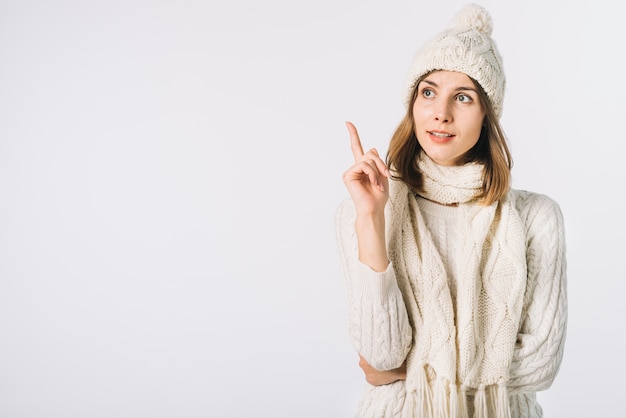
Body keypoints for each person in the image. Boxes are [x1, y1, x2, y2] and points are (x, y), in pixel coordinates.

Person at [335, 3, 567, 417]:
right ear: (413, 103)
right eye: (428, 92)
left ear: (486, 115)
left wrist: (411, 369)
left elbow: (540, 365)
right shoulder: (366, 211)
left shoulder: (536, 218)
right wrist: (371, 219)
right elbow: (380, 353)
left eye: (463, 97)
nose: (440, 112)